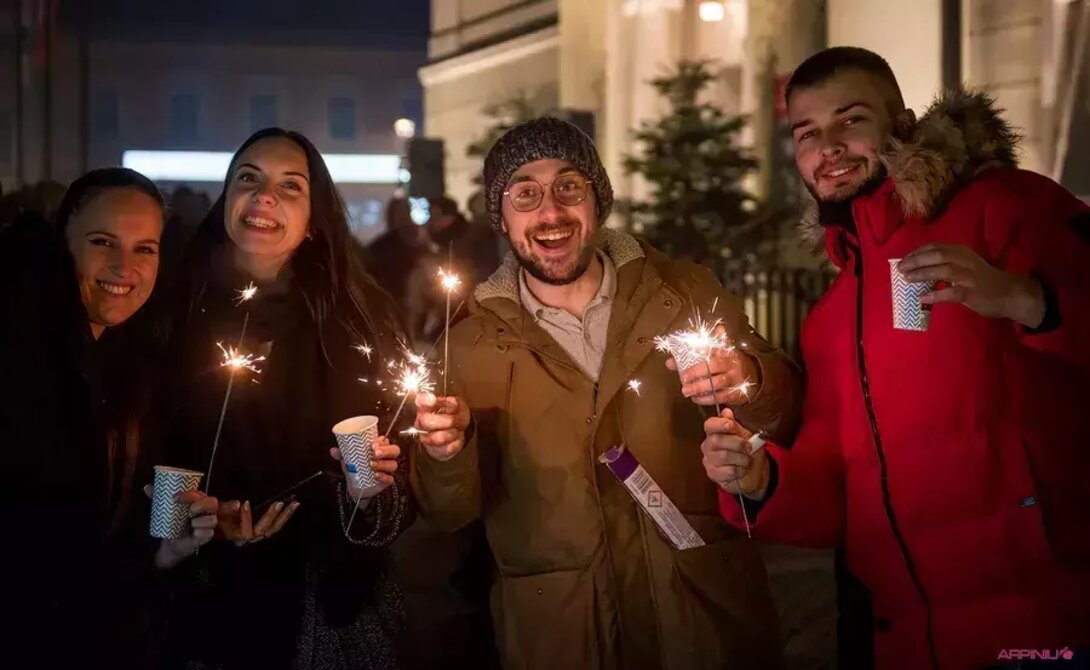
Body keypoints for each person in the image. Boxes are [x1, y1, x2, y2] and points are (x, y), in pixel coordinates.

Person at [702, 47, 1090, 669]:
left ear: (902, 123)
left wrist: (1029, 300)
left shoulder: (1009, 207)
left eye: (850, 120)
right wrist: (761, 478)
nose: (827, 146)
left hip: (1045, 621)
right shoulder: (833, 316)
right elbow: (837, 488)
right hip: (903, 638)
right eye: (807, 133)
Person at [411, 117, 805, 670]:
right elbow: (448, 514)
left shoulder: (683, 293)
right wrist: (443, 457)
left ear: (599, 199)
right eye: (525, 193)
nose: (551, 212)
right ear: (500, 216)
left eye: (569, 186)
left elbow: (788, 410)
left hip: (700, 622)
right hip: (564, 633)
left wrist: (747, 378)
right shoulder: (469, 349)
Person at [156, 128, 413, 669]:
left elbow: (395, 478)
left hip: (323, 606)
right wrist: (190, 524)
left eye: (289, 187)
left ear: (315, 217)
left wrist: (367, 491)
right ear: (226, 197)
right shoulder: (169, 308)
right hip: (199, 607)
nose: (264, 196)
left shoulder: (354, 320)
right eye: (248, 178)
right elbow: (150, 449)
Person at [0, 168, 218, 667]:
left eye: (145, 248)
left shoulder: (136, 361)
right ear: (63, 242)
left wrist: (167, 551)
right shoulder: (20, 360)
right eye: (103, 242)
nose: (125, 267)